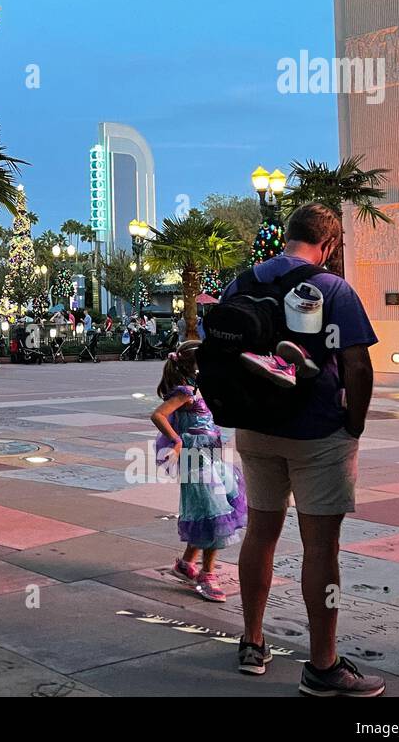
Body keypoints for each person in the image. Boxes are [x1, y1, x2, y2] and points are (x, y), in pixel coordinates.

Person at [226, 202, 384, 696]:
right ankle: (323, 664)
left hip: (254, 427)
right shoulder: (333, 288)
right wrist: (353, 424)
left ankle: (252, 641)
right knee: (321, 548)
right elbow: (357, 365)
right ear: (330, 244)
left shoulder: (242, 282)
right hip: (317, 432)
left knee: (260, 532)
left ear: (287, 234)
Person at [150, 344, 247, 603]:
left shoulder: (201, 388)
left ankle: (186, 563)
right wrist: (176, 440)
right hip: (196, 461)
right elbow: (158, 415)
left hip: (212, 458)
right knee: (214, 514)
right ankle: (207, 573)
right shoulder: (186, 392)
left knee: (215, 507)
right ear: (194, 365)